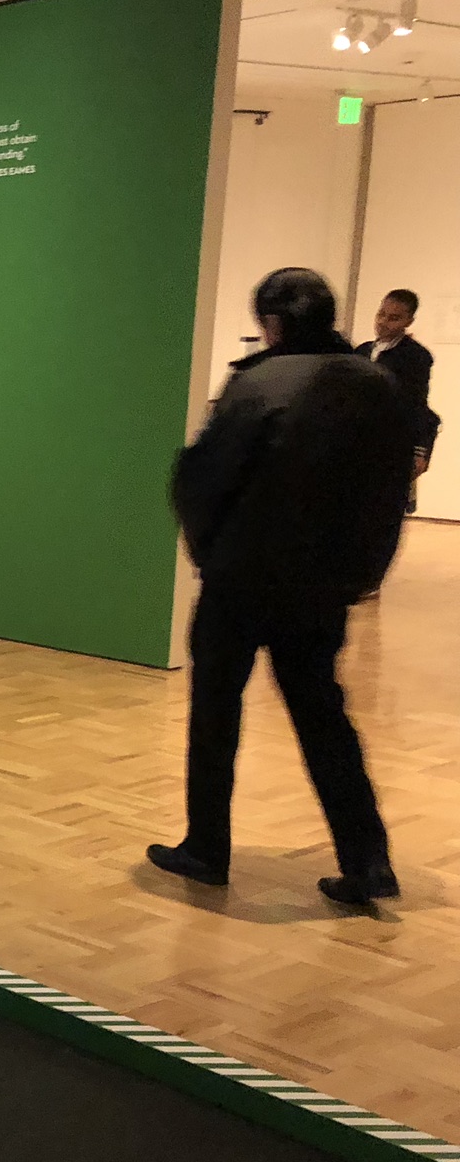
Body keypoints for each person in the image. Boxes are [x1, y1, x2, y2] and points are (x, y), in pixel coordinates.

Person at [150, 268, 416, 905]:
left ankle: (206, 848)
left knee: (217, 711)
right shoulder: (379, 386)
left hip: (242, 579)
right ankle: (368, 860)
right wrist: (359, 577)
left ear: (271, 323)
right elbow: (389, 496)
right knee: (324, 716)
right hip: (321, 588)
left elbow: (203, 479)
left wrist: (209, 552)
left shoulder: (259, 382)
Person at [355, 288, 439, 512]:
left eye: (394, 318)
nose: (383, 322)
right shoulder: (361, 352)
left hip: (392, 441)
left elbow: (416, 403)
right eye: (381, 314)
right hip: (361, 440)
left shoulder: (415, 357)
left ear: (408, 321)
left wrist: (420, 449)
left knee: (383, 509)